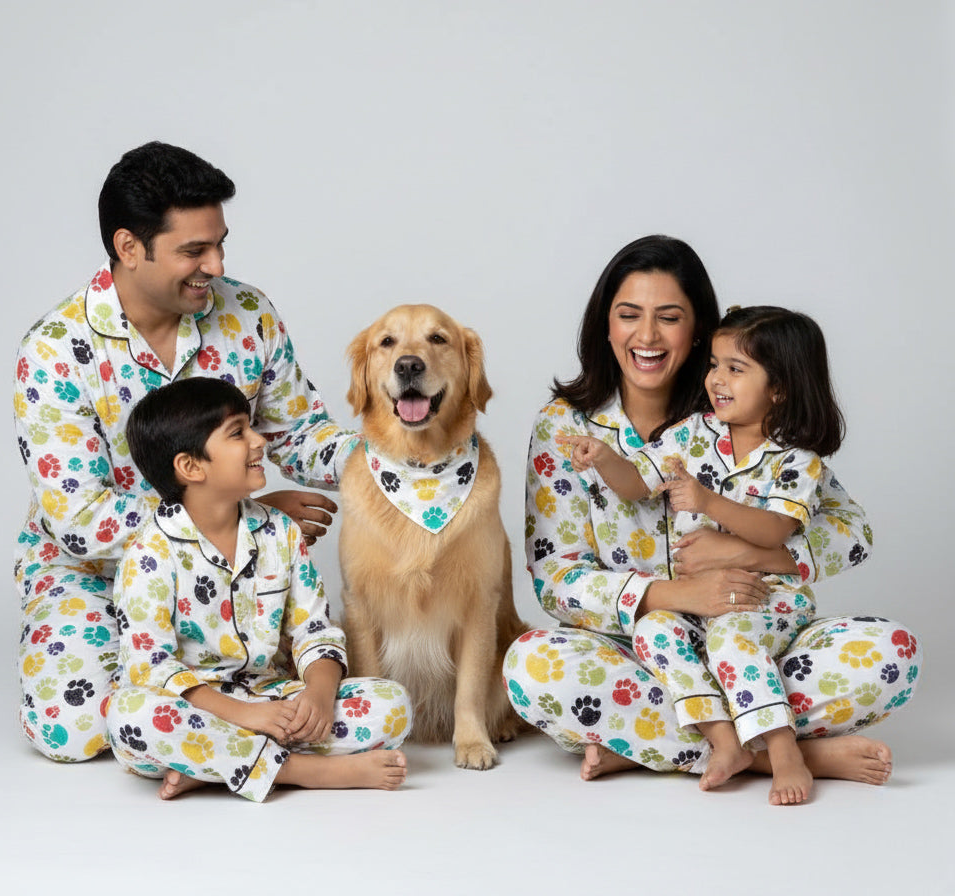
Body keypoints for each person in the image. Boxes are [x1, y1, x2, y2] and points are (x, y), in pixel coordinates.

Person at [503, 235, 920, 792]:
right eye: (629, 315)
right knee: (531, 668)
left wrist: (753, 553)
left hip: (753, 641)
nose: (646, 336)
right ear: (606, 326)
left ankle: (657, 747)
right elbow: (557, 581)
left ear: (696, 328)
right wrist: (675, 598)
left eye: (668, 318)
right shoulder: (563, 427)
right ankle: (785, 754)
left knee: (890, 654)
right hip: (644, 653)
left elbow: (851, 533)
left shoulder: (742, 408)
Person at [14, 141, 356, 762]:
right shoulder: (54, 350)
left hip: (231, 571)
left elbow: (303, 433)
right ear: (128, 247)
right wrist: (234, 512)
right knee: (75, 732)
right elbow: (78, 520)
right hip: (96, 573)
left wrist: (397, 463)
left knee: (322, 702)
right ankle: (214, 717)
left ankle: (210, 729)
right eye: (194, 250)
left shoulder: (248, 314)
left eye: (220, 242)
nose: (217, 265)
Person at [559, 305, 843, 804]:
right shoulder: (692, 434)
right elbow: (635, 484)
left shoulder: (797, 459)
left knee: (733, 637)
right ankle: (725, 741)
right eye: (714, 364)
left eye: (736, 369)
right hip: (698, 604)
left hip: (764, 599)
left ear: (779, 388)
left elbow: (777, 528)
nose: (716, 379)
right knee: (653, 628)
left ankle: (783, 751)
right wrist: (604, 459)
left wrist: (708, 501)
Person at [106, 377, 409, 800]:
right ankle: (303, 771)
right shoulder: (149, 555)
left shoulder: (280, 532)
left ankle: (215, 766)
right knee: (130, 718)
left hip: (272, 697)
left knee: (391, 705)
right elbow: (152, 667)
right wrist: (247, 716)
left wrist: (319, 698)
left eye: (251, 427)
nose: (258, 442)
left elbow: (314, 631)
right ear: (191, 467)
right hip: (197, 709)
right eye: (238, 433)